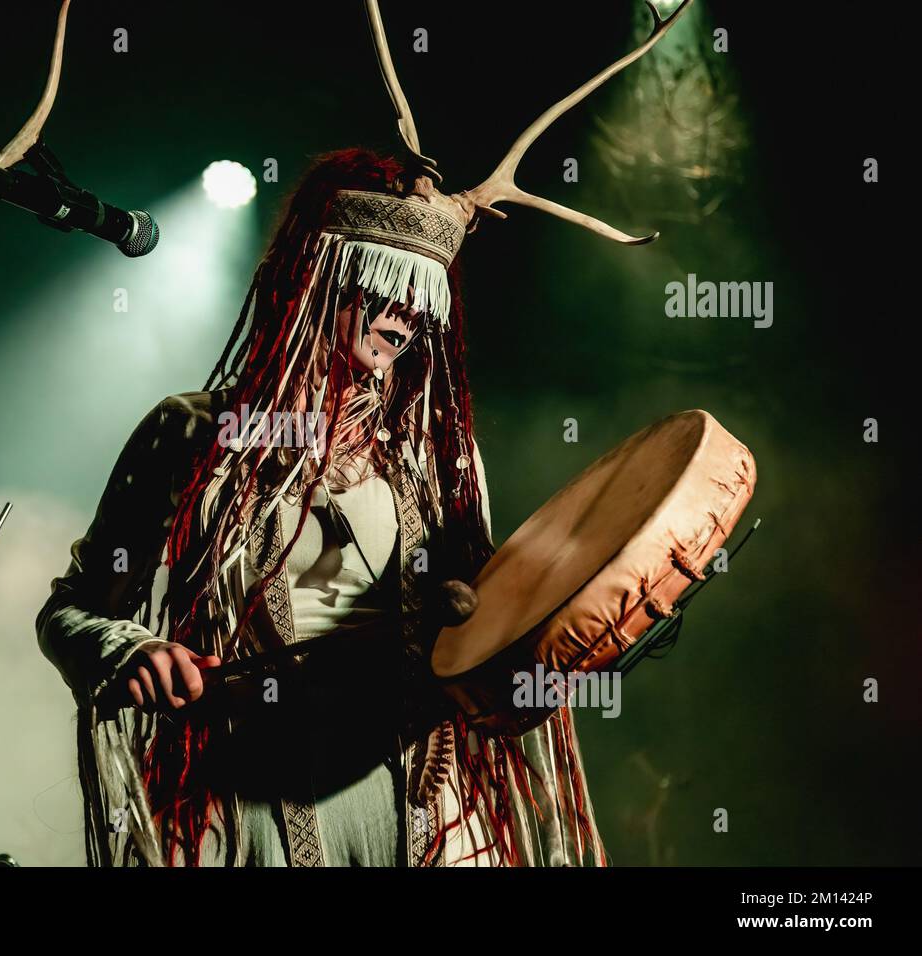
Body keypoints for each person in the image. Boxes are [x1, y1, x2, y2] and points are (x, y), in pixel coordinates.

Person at [37, 149, 605, 867]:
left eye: (418, 297)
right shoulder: (192, 434)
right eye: (380, 286)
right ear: (316, 281)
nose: (401, 313)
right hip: (243, 804)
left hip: (423, 798)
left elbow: (491, 638)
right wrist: (130, 651)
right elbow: (70, 611)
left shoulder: (435, 457)